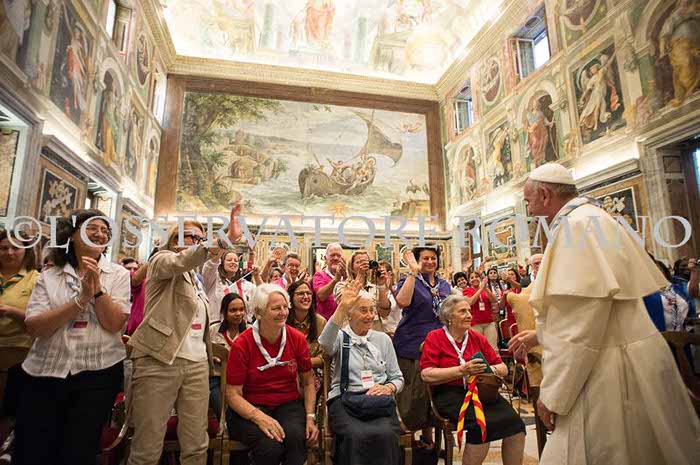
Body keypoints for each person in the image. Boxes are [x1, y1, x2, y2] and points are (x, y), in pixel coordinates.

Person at [512, 163, 700, 465]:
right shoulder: (598, 219)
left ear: (545, 195)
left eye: (529, 201)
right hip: (632, 356)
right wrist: (540, 335)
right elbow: (600, 308)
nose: (530, 210)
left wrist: (553, 395)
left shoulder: (575, 227)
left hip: (607, 370)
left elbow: (579, 325)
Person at [127, 202, 242, 465]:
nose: (197, 242)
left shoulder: (195, 278)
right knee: (148, 446)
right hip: (159, 360)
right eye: (191, 237)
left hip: (197, 364)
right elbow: (182, 259)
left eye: (201, 238)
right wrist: (223, 239)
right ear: (173, 238)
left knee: (196, 444)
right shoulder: (161, 261)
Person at [14, 210, 130, 465]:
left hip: (98, 372)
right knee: (34, 447)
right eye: (92, 228)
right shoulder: (50, 275)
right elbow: (35, 327)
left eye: (105, 231)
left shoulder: (118, 274)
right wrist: (80, 300)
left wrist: (97, 291)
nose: (99, 234)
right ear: (72, 235)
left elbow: (114, 324)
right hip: (46, 370)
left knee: (78, 450)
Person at [420, 295, 525, 465]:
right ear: (449, 317)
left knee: (516, 424)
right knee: (482, 424)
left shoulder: (476, 337)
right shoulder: (435, 337)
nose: (469, 315)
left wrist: (489, 370)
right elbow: (427, 374)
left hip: (482, 392)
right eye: (462, 312)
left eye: (469, 311)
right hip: (450, 394)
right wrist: (462, 370)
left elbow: (502, 367)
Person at [225, 284, 319, 465]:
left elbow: (308, 382)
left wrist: (310, 417)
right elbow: (232, 394)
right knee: (270, 445)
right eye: (276, 308)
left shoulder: (296, 338)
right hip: (250, 406)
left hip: (287, 403)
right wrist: (259, 417)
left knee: (296, 438)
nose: (283, 313)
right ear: (259, 312)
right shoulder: (242, 344)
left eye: (285, 307)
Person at [318, 279, 404, 465]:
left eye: (371, 310)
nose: (370, 316)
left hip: (378, 402)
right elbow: (324, 343)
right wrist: (342, 307)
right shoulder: (340, 337)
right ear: (349, 315)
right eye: (363, 310)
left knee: (387, 435)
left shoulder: (383, 340)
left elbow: (398, 378)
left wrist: (388, 388)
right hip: (345, 400)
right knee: (354, 435)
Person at [393, 246, 451, 431]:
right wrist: (413, 272)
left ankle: (428, 437)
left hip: (438, 343)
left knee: (434, 392)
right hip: (411, 343)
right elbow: (402, 302)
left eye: (433, 258)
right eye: (425, 258)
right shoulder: (409, 280)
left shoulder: (444, 285)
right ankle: (409, 434)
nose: (430, 262)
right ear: (417, 261)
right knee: (413, 394)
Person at [0, 229, 40, 430]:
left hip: (18, 353)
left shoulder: (36, 279)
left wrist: (10, 311)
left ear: (26, 250)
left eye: (15, 248)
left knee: (7, 411)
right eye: (3, 248)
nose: (9, 252)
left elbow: (41, 320)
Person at [209, 292, 247, 421]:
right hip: (217, 379)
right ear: (224, 312)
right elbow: (204, 352)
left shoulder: (249, 332)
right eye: (233, 310)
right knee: (223, 410)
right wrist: (213, 359)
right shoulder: (213, 330)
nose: (238, 314)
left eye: (241, 309)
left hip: (242, 381)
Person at [333, 250, 392, 333]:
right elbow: (344, 305)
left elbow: (384, 313)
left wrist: (381, 285)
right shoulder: (342, 286)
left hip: (373, 332)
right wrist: (360, 276)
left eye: (366, 262)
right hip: (351, 333)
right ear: (351, 267)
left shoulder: (374, 287)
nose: (363, 265)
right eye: (359, 262)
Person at [203, 249, 258, 324]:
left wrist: (257, 276)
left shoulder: (245, 285)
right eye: (229, 260)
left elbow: (263, 295)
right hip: (217, 326)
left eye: (236, 261)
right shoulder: (214, 281)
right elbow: (210, 266)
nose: (233, 262)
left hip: (240, 327)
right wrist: (219, 250)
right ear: (222, 263)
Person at [644, 259, 696, 332]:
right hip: (662, 335)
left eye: (658, 270)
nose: (656, 273)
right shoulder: (646, 294)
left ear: (665, 272)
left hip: (684, 334)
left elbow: (690, 303)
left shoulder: (676, 288)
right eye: (651, 271)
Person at [286, 280, 326, 370]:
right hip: (288, 373)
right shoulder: (283, 321)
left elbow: (324, 357)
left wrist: (299, 364)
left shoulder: (320, 322)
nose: (306, 297)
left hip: (314, 373)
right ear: (291, 298)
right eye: (301, 294)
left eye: (308, 293)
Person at [462, 272, 499, 349]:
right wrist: (480, 289)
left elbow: (494, 300)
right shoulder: (467, 290)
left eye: (476, 277)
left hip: (489, 322)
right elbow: (470, 302)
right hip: (475, 324)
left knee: (492, 348)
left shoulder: (486, 289)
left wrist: (485, 288)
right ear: (469, 281)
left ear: (480, 279)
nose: (474, 279)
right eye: (472, 278)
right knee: (477, 348)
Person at [312, 243, 346, 320]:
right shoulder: (319, 275)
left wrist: (346, 277)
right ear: (325, 258)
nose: (336, 258)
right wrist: (336, 279)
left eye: (338, 256)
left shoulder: (348, 276)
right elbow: (321, 295)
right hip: (326, 323)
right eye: (332, 255)